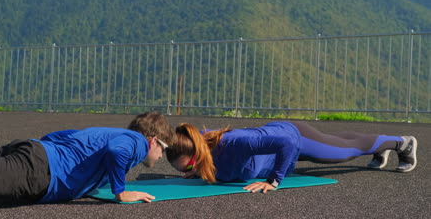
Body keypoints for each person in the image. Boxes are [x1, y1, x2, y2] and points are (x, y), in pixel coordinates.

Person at [0, 111, 174, 204]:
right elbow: (116, 153)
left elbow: (65, 135)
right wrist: (121, 193)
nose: (161, 156)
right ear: (153, 140)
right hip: (40, 168)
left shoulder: (111, 134)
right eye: (163, 149)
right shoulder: (138, 141)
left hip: (32, 152)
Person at [166, 121, 417, 193]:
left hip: (293, 138)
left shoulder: (235, 143)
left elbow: (284, 144)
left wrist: (273, 181)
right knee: (339, 141)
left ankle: (401, 143)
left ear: (199, 152)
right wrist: (193, 170)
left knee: (344, 152)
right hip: (277, 141)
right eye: (181, 171)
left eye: (189, 165)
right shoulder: (195, 144)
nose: (189, 172)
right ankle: (377, 146)